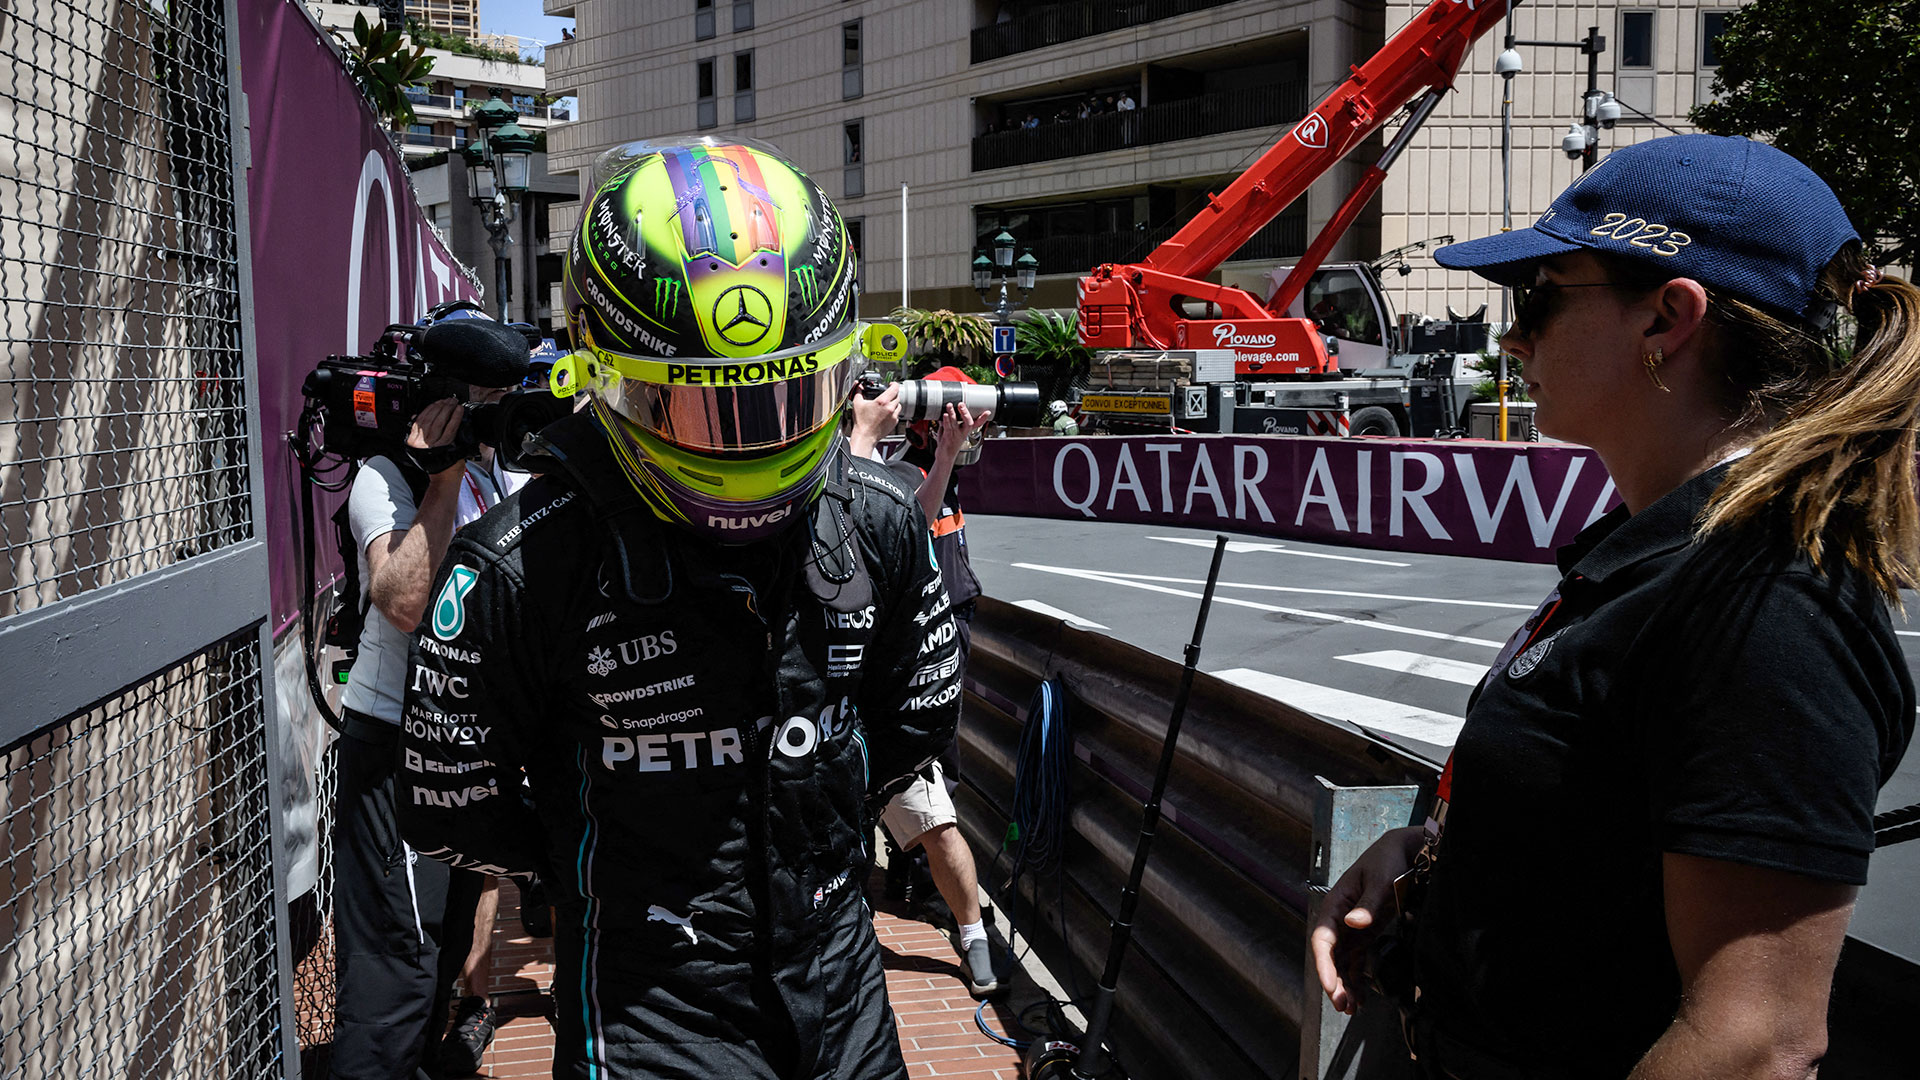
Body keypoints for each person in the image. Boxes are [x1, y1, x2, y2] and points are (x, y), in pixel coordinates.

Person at [1310, 134, 1917, 1079]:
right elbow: (1603, 835)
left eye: (1542, 296)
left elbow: (1753, 1043)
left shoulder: (1763, 603)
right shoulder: (1665, 555)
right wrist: (1430, 854)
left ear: (1667, 318)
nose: (1513, 336)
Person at [397, 138, 961, 1080]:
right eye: (703, 412)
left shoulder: (883, 519)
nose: (746, 450)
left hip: (840, 979)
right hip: (646, 1003)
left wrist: (808, 813)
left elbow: (917, 717)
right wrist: (591, 871)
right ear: (599, 372)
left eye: (782, 399)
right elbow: (451, 800)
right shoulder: (518, 561)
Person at [332, 302, 529, 1080]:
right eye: (474, 397)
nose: (486, 415)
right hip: (396, 748)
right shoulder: (386, 479)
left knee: (445, 950)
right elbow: (406, 601)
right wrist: (441, 483)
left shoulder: (502, 470)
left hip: (469, 745)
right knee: (398, 965)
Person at [847, 376, 1000, 997]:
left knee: (936, 821)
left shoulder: (893, 471)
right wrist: (858, 437)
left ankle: (973, 935)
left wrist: (942, 455)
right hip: (829, 692)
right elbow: (850, 516)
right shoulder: (815, 465)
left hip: (886, 693)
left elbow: (911, 520)